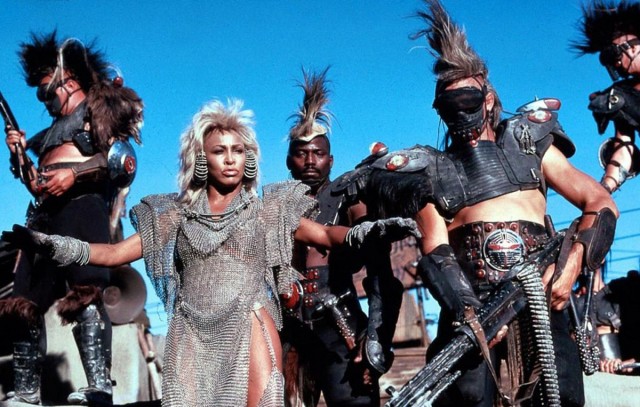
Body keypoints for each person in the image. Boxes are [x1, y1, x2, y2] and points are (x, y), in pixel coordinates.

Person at [3, 99, 418, 407]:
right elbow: (113, 254)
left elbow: (326, 235)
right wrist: (53, 245)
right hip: (192, 334)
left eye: (238, 150)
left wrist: (372, 230)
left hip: (250, 324)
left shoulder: (267, 210)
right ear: (201, 157)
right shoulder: (174, 214)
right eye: (220, 151)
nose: (231, 160)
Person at [341, 1, 618, 405]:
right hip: (471, 310)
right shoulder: (430, 171)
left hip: (542, 296)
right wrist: (469, 313)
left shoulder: (529, 143)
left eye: (468, 101)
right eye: (449, 106)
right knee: (468, 398)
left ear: (488, 98)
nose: (461, 114)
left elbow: (599, 202)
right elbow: (435, 247)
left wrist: (572, 263)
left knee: (561, 394)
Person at [0, 31, 143, 405]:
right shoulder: (49, 135)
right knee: (23, 299)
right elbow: (37, 185)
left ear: (69, 81)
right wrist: (19, 154)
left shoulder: (98, 112)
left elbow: (123, 162)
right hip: (43, 217)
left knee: (85, 292)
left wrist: (74, 175)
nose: (44, 101)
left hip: (83, 207)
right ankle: (26, 391)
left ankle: (99, 386)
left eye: (47, 92)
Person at [280, 68, 401, 406]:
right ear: (289, 160)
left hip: (340, 325)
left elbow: (380, 271)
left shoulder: (350, 198)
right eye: (301, 153)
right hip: (289, 329)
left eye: (318, 153)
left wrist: (376, 337)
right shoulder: (276, 205)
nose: (310, 160)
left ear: (330, 160)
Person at [573, 0, 640, 193]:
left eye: (614, 55)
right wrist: (604, 190)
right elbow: (624, 145)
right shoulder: (624, 96)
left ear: (632, 48)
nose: (616, 65)